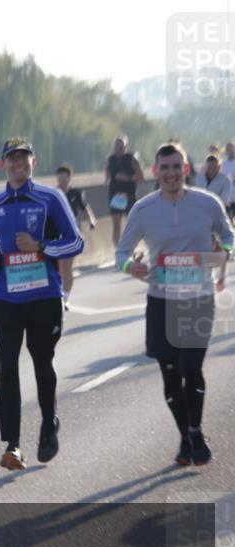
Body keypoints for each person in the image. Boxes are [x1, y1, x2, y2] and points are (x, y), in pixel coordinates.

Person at [116, 142, 232, 466]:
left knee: (191, 369)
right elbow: (121, 253)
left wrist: (225, 250)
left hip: (198, 298)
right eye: (164, 168)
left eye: (176, 167)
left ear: (186, 169)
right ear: (156, 171)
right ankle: (188, 436)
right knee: (169, 375)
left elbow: (229, 236)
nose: (170, 174)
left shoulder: (207, 203)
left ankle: (194, 431)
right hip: (161, 300)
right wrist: (131, 268)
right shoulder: (143, 209)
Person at [0, 138, 84, 470]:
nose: (17, 164)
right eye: (11, 159)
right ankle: (12, 445)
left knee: (42, 363)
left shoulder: (50, 198)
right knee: (8, 368)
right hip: (8, 299)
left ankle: (48, 424)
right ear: (2, 165)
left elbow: (75, 242)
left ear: (33, 163)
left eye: (23, 158)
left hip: (44, 297)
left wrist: (42, 246)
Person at [55, 163, 97, 309]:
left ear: (70, 179)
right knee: (57, 267)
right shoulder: (54, 195)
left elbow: (85, 208)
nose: (62, 182)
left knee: (67, 266)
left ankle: (66, 297)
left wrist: (91, 220)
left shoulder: (76, 194)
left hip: (72, 235)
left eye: (64, 179)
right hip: (55, 235)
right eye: (59, 179)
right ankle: (58, 293)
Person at [104, 136, 144, 246]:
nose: (118, 149)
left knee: (131, 224)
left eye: (121, 146)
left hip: (129, 194)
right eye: (116, 146)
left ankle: (131, 247)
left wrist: (128, 178)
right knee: (116, 224)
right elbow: (107, 176)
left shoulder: (131, 159)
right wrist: (107, 186)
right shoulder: (110, 159)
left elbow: (141, 177)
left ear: (125, 147)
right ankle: (118, 251)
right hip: (116, 195)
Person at [223, 141, 235, 219]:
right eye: (228, 149)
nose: (230, 151)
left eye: (231, 148)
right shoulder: (223, 163)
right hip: (227, 196)